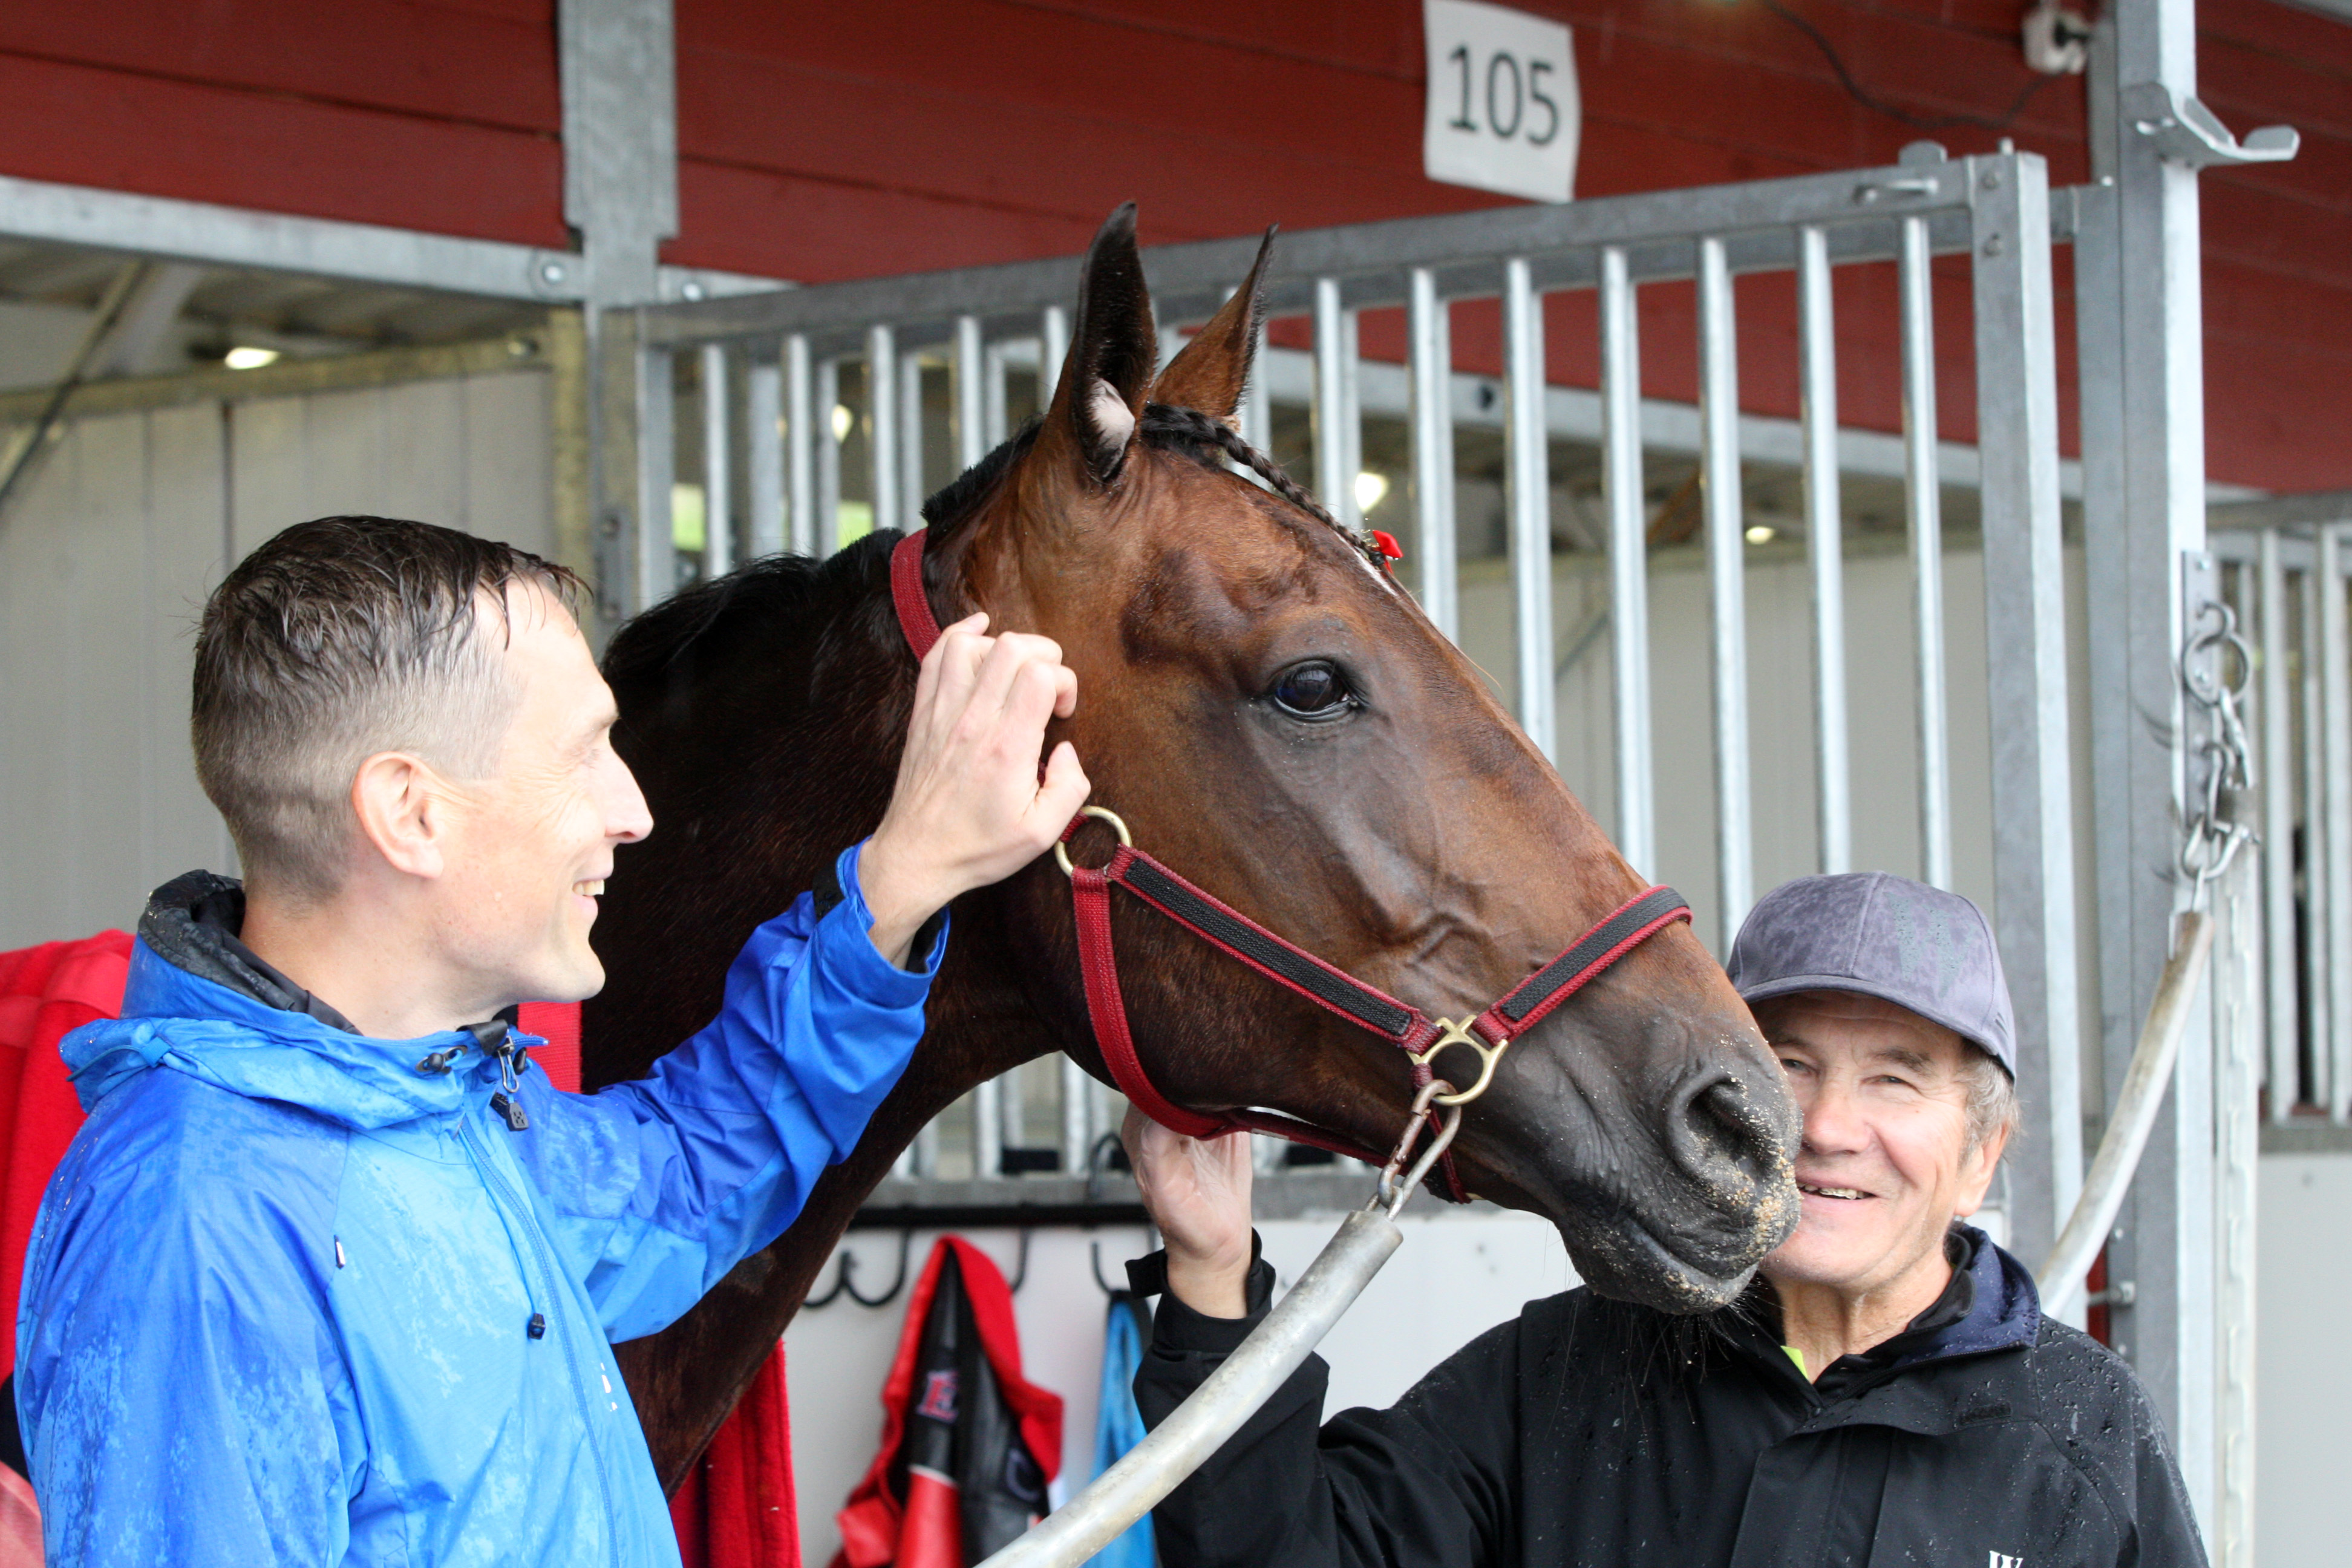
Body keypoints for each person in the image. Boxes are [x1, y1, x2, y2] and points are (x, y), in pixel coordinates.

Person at [15, 515, 1089, 1566]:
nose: (633, 810)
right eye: (584, 754)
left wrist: (902, 874)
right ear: (411, 812)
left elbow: (687, 1177)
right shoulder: (201, 1231)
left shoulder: (449, 1120)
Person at [1125, 871, 2207, 1568]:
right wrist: (1213, 1272)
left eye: (1896, 1079)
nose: (1828, 1125)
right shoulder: (1563, 1375)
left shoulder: (2081, 1433)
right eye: (1787, 1066)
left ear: (1980, 1156)